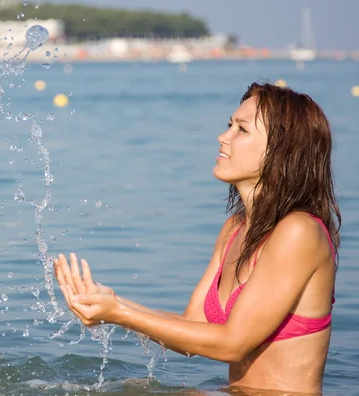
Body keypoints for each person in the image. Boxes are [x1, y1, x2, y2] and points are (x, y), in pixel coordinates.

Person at [54, 82, 341, 394]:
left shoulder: (299, 232)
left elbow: (232, 344)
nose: (223, 136)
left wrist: (119, 313)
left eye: (241, 130)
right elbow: (195, 327)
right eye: (229, 125)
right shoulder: (235, 229)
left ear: (281, 150)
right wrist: (108, 304)